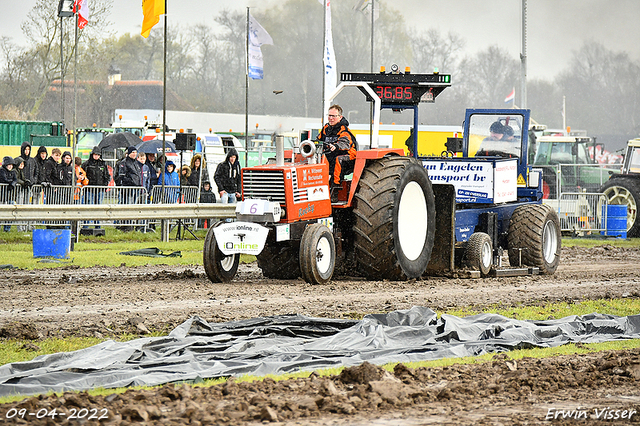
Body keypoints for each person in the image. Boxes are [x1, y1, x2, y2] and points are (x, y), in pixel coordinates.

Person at [317, 104, 357, 202]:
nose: (331, 118)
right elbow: (318, 139)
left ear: (340, 117)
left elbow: (345, 143)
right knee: (318, 158)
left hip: (349, 156)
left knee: (338, 160)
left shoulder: (344, 130)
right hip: (331, 154)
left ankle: (335, 189)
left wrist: (336, 146)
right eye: (329, 115)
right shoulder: (326, 128)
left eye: (333, 116)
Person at [82, 147, 111, 228]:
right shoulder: (86, 164)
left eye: (98, 155)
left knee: (98, 208)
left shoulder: (103, 164)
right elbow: (82, 175)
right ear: (92, 154)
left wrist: (104, 186)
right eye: (95, 154)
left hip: (100, 189)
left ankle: (97, 225)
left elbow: (107, 176)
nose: (96, 156)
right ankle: (85, 226)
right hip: (89, 189)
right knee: (88, 207)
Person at [0, 156, 17, 231]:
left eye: (11, 165)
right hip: (1, 195)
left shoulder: (13, 172)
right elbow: (4, 179)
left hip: (9, 195)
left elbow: (15, 180)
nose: (10, 166)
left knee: (10, 212)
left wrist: (12, 184)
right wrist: (11, 182)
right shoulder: (1, 170)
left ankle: (7, 229)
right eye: (9, 164)